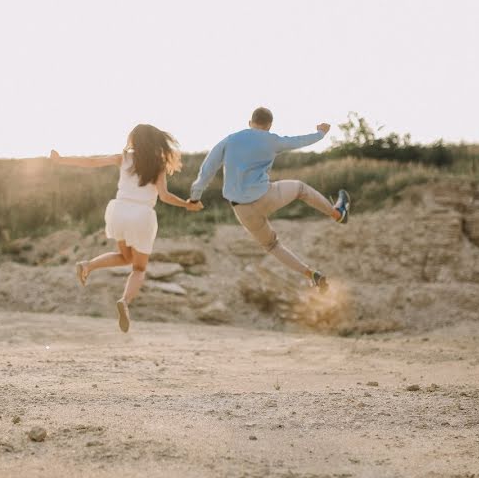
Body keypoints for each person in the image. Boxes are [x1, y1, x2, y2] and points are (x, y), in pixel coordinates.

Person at [50, 124, 202, 332]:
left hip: (118, 211)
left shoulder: (123, 158)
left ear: (134, 140)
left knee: (125, 256)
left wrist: (61, 160)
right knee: (138, 268)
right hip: (141, 215)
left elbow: (92, 161)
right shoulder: (158, 164)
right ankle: (124, 301)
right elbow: (165, 196)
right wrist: (187, 205)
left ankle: (88, 265)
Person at [189, 107, 349, 292]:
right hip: (267, 196)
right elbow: (299, 141)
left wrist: (195, 197)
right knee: (300, 188)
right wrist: (321, 133)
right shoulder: (272, 140)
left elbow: (207, 169)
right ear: (270, 125)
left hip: (241, 208)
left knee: (272, 245)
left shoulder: (230, 140)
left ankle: (311, 274)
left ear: (250, 123)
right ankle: (337, 213)